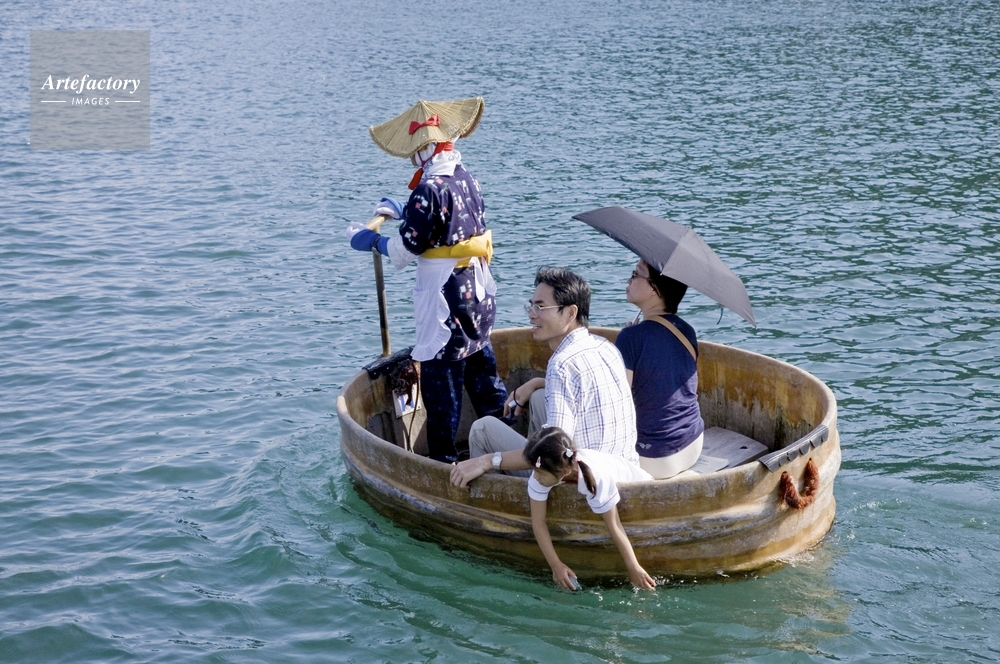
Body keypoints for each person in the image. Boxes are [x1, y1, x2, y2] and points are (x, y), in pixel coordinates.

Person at [345, 97, 507, 463]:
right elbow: (449, 223)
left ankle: (445, 464)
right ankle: (510, 444)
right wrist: (405, 211)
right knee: (484, 379)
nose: (411, 160)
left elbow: (406, 250)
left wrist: (371, 240)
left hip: (447, 298)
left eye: (413, 153)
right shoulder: (467, 178)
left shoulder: (429, 190)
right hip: (477, 295)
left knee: (442, 390)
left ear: (425, 150)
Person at [450, 266, 637, 487]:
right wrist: (537, 383)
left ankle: (499, 500)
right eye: (531, 306)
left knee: (482, 429)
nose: (531, 314)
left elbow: (554, 454)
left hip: (581, 486)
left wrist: (488, 460)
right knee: (539, 396)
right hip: (623, 473)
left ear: (570, 313)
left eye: (540, 307)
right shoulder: (605, 347)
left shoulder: (563, 364)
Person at [523, 426, 655, 590]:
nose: (535, 477)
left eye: (540, 473)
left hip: (642, 489)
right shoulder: (541, 474)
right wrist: (555, 565)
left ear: (564, 471)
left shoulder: (596, 476)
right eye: (535, 471)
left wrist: (634, 567)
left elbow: (615, 525)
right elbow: (538, 523)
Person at [615, 259, 705, 479]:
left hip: (654, 459)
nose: (629, 279)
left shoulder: (631, 337)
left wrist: (626, 342)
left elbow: (617, 404)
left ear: (655, 288)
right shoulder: (687, 330)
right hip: (693, 443)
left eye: (635, 274)